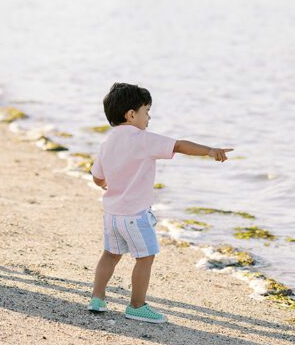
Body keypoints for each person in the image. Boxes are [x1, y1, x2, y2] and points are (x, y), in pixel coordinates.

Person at [89, 82, 232, 323]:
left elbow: (97, 177)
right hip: (135, 215)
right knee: (145, 257)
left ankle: (97, 297)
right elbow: (178, 145)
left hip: (112, 214)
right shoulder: (142, 139)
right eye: (146, 111)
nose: (149, 117)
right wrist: (209, 150)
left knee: (110, 254)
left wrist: (105, 184)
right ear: (131, 114)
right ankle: (136, 305)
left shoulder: (108, 142)